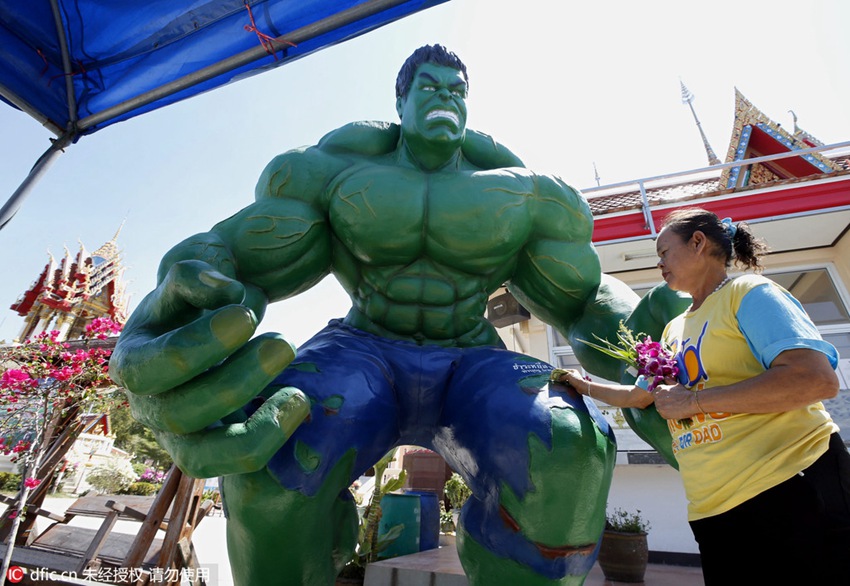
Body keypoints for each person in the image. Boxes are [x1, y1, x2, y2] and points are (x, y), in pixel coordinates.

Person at [109, 45, 688, 585]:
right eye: (430, 88)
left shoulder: (519, 192)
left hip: (471, 353)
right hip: (363, 347)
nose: (445, 99)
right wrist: (174, 315)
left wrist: (650, 362)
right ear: (401, 100)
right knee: (269, 455)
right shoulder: (338, 171)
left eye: (456, 91)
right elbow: (233, 263)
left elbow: (585, 301)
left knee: (571, 444)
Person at [559, 207, 850, 585]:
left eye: (664, 252)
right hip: (712, 507)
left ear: (698, 243)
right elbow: (641, 395)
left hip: (789, 486)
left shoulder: (749, 293)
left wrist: (694, 402)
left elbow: (814, 380)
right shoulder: (674, 329)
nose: (659, 263)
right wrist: (585, 386)